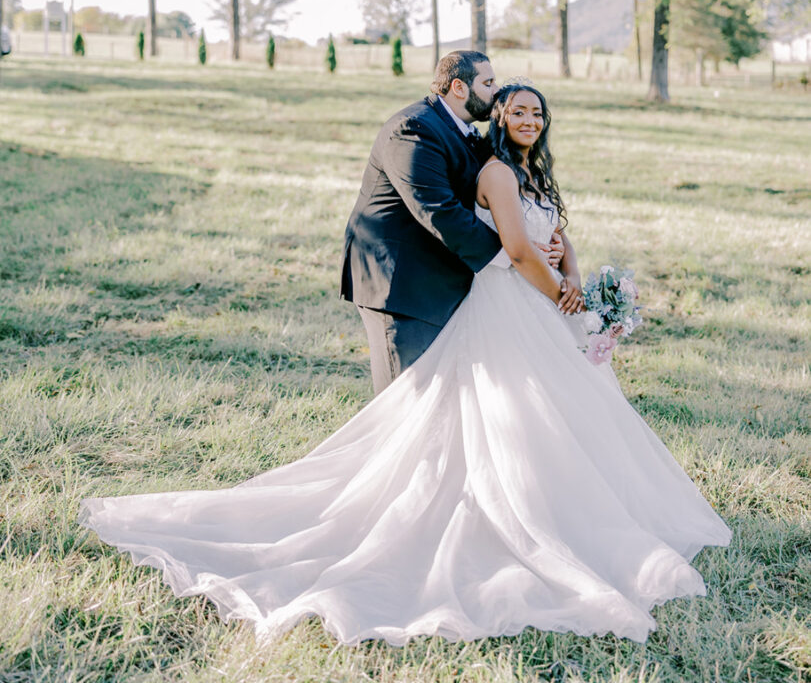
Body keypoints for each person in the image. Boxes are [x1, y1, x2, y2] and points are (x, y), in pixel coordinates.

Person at [80, 81, 731, 646]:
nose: (528, 119)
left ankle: (563, 506)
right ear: (495, 117)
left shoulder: (535, 175)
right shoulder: (496, 173)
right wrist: (560, 292)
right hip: (510, 300)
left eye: (537, 111)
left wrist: (578, 284)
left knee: (556, 414)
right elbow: (514, 246)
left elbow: (557, 242)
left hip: (543, 302)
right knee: (508, 409)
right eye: (515, 109)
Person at [340, 50, 564, 393]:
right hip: (400, 282)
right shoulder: (413, 128)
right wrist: (515, 253)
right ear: (459, 87)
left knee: (441, 397)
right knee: (405, 397)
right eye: (487, 83)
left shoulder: (465, 132)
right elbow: (439, 211)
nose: (496, 91)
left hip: (443, 279)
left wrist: (544, 235)